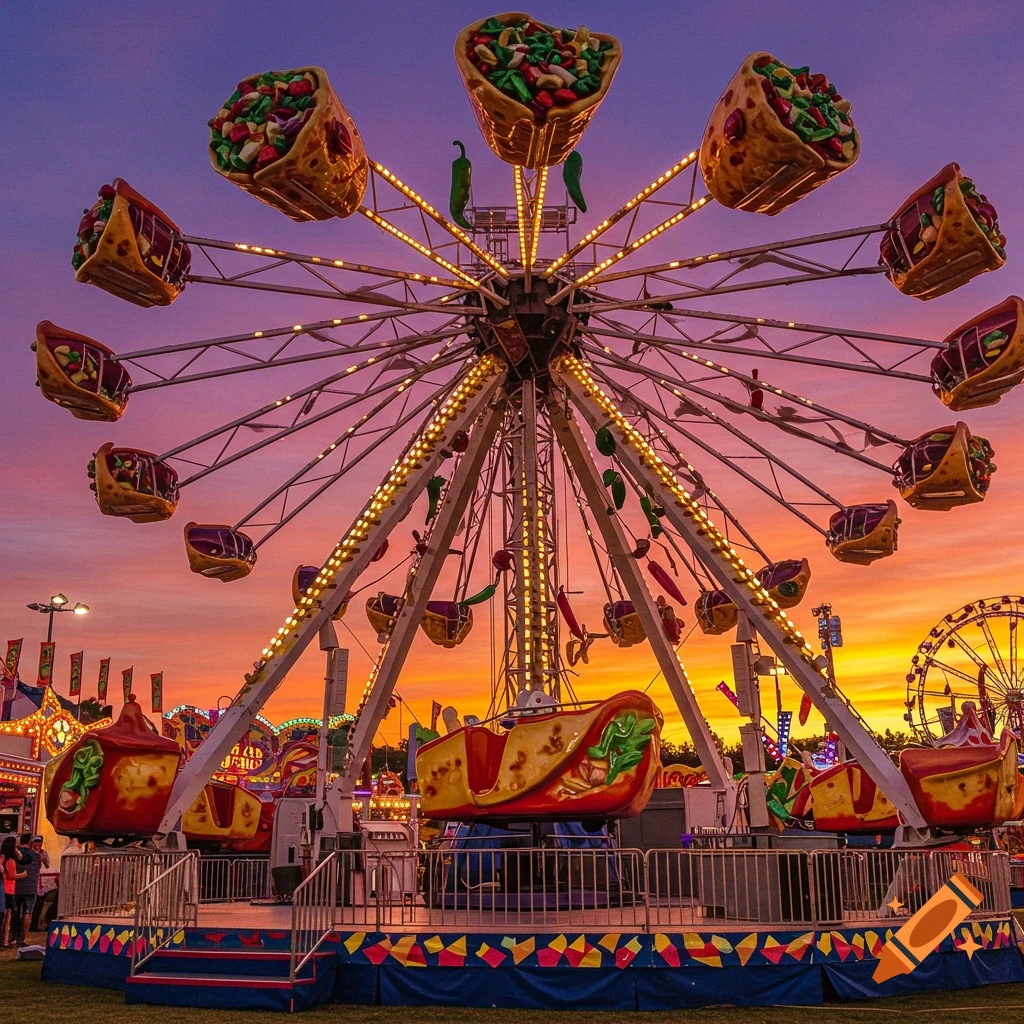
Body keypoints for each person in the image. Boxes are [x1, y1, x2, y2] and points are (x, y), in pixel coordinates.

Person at [12, 832, 38, 945]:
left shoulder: (15, 854)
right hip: (31, 887)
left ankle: (13, 936)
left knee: (15, 911)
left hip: (16, 886)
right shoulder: (35, 855)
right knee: (27, 912)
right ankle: (22, 938)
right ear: (30, 842)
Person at [1, 836, 26, 948]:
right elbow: (12, 875)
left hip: (5, 888)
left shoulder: (2, 858)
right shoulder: (10, 861)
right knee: (7, 916)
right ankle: (4, 941)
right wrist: (24, 874)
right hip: (8, 889)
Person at [29, 836, 53, 933]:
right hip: (30, 880)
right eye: (36, 842)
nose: (37, 844)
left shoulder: (43, 852)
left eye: (39, 842)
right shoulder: (28, 852)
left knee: (39, 904)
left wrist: (43, 859)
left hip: (40, 881)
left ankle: (34, 925)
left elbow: (47, 865)